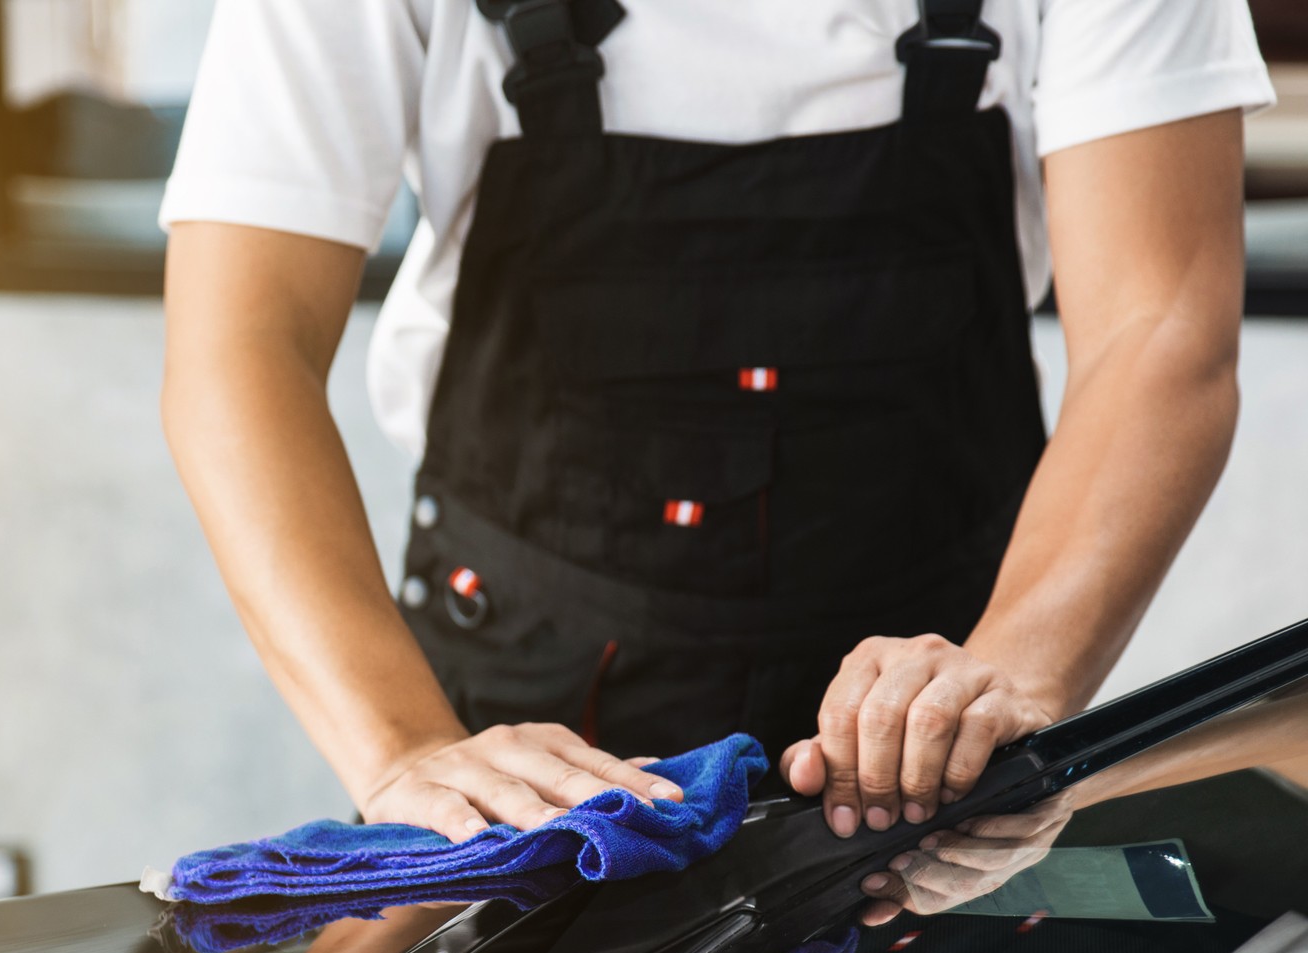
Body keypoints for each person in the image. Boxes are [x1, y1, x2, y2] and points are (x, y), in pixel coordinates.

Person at [159, 0, 1271, 843]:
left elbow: (1158, 331)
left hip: (938, 692)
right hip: (516, 709)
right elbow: (237, 350)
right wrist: (403, 749)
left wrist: (1017, 674)